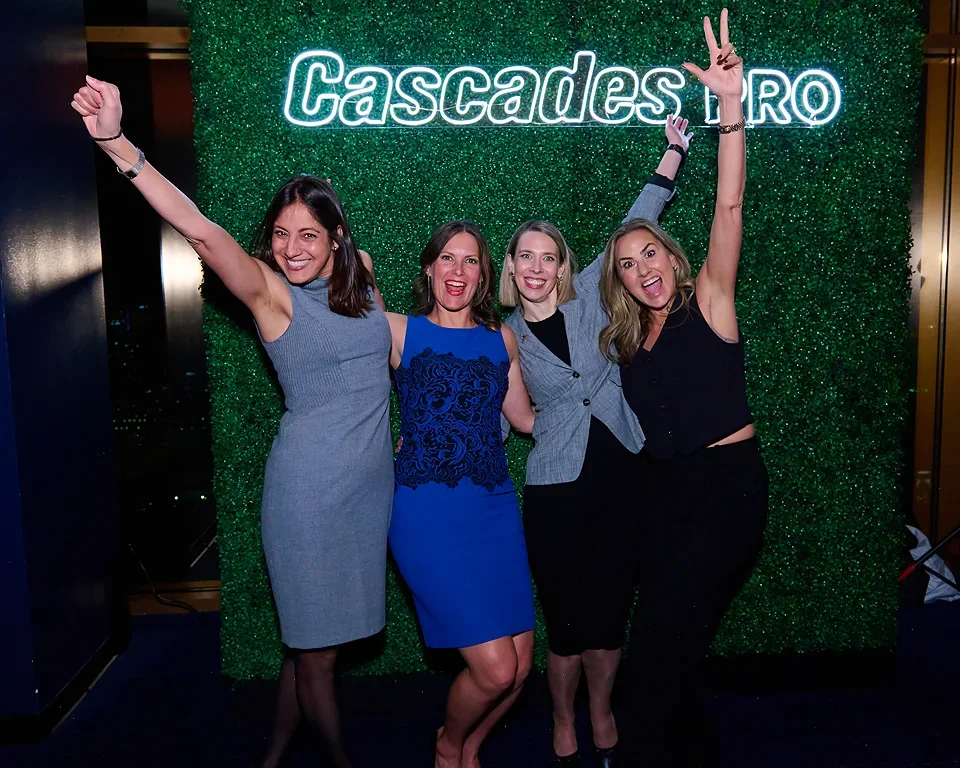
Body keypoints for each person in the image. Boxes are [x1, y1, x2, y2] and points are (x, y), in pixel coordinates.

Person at [71, 77, 393, 768]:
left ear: (338, 237)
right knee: (317, 653)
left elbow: (379, 364)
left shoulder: (362, 277)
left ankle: (273, 755)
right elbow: (198, 227)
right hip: (308, 497)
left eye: (308, 234)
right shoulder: (269, 294)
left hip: (365, 494)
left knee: (312, 645)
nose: (292, 247)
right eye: (280, 235)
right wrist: (114, 141)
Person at [598, 10, 766, 766]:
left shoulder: (711, 303)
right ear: (624, 284)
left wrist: (731, 106)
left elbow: (728, 207)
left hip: (727, 493)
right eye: (628, 266)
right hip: (666, 497)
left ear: (670, 252)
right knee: (662, 651)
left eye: (649, 253)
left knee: (661, 654)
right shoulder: (630, 341)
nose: (642, 268)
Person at [498, 115, 692, 767]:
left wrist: (670, 155)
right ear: (512, 265)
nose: (536, 266)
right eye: (525, 255)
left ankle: (602, 711)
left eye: (547, 256)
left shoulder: (591, 301)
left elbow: (632, 224)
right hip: (555, 489)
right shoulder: (503, 334)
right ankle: (561, 717)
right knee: (569, 626)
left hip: (623, 475)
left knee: (610, 617)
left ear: (562, 266)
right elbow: (503, 412)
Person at [379, 221, 536, 768]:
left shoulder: (502, 340)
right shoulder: (399, 331)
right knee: (494, 669)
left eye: (471, 262)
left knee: (517, 671)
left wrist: (600, 399)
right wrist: (350, 250)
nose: (458, 271)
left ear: (484, 275)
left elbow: (524, 419)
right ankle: (448, 746)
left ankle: (469, 750)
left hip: (494, 510)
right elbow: (342, 309)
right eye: (448, 258)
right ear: (429, 268)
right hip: (425, 515)